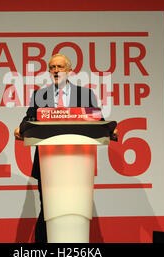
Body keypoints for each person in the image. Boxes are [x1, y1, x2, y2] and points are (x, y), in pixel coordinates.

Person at [14, 54, 117, 243]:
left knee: (75, 208)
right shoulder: (40, 95)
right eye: (52, 67)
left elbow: (98, 119)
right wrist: (21, 127)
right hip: (49, 164)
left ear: (69, 70)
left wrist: (110, 129)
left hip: (79, 164)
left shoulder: (85, 94)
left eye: (60, 67)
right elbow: (29, 117)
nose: (56, 70)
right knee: (49, 208)